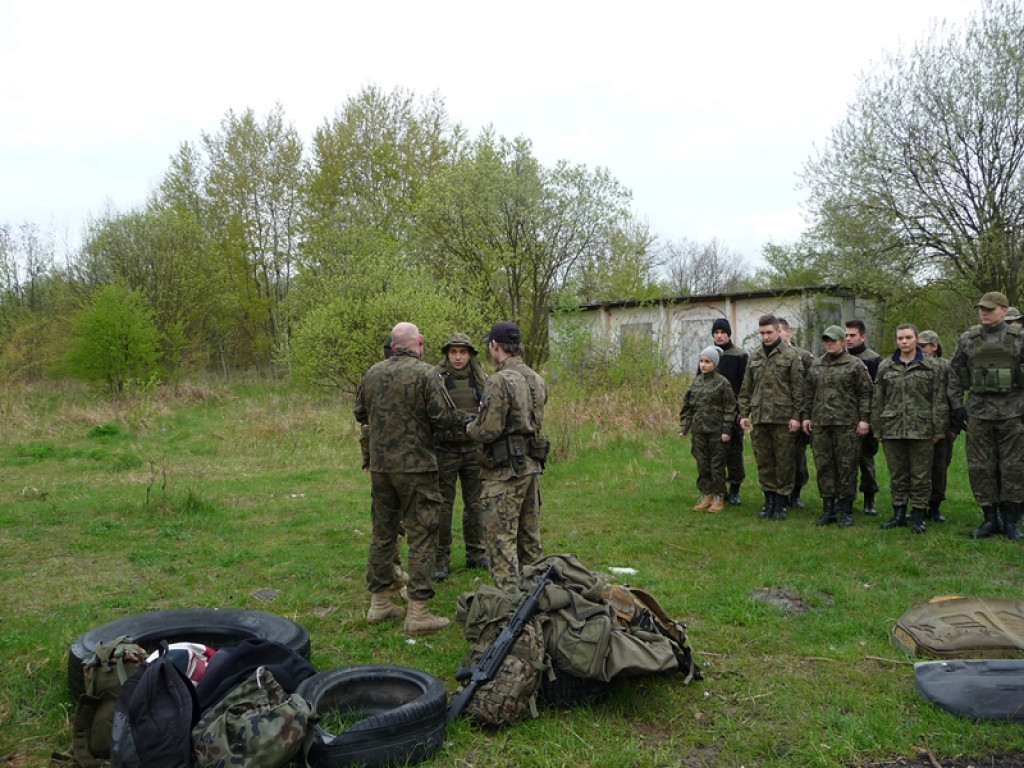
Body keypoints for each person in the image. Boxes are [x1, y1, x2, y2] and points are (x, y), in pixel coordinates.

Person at [353, 322, 459, 635]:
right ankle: (418, 613)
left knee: (383, 532)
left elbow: (360, 413)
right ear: (420, 342)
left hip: (382, 467)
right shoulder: (427, 374)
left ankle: (379, 603)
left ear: (393, 344)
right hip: (417, 467)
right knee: (423, 533)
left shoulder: (372, 373)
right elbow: (444, 418)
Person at [466, 321, 547, 591]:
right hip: (531, 467)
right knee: (530, 542)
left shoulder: (499, 381)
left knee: (501, 541)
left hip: (504, 473)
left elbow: (488, 430)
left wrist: (469, 428)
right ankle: (538, 598)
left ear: (494, 346)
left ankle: (510, 605)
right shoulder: (536, 379)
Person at [948, 291, 1024, 540]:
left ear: (1004, 310)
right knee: (980, 468)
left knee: (1013, 468)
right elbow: (954, 374)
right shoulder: (968, 339)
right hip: (978, 415)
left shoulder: (1019, 338)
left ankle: (1011, 521)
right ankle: (989, 518)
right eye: (982, 308)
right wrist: (957, 407)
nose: (984, 312)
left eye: (990, 309)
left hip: (1012, 415)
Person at [874, 325, 948, 534]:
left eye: (908, 337)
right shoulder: (886, 366)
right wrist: (877, 429)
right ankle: (898, 513)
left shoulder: (931, 366)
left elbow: (939, 399)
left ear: (916, 339)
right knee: (898, 474)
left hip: (922, 428)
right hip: (893, 428)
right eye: (900, 338)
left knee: (921, 475)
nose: (904, 342)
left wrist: (938, 430)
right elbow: (878, 399)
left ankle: (918, 515)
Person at [802, 326, 873, 527]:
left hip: (847, 425)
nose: (829, 343)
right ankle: (828, 509)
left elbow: (866, 393)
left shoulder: (855, 365)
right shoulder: (816, 365)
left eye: (833, 340)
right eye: (826, 340)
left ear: (842, 341)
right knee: (824, 466)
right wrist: (806, 417)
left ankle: (846, 510)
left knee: (847, 466)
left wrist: (864, 419)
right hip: (821, 425)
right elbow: (808, 393)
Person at [738, 314, 806, 521]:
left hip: (783, 418)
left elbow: (798, 390)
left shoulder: (791, 355)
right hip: (760, 417)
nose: (766, 337)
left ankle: (781, 502)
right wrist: (744, 413)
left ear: (778, 331)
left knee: (784, 461)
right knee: (764, 460)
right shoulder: (755, 356)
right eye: (762, 333)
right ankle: (768, 500)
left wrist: (796, 416)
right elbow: (746, 388)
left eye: (769, 332)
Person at [433, 332, 488, 579]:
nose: (458, 357)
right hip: (444, 449)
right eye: (453, 352)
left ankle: (476, 553)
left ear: (470, 355)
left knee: (475, 504)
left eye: (462, 352)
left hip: (473, 449)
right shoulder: (436, 379)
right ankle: (440, 559)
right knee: (443, 506)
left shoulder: (481, 379)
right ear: (447, 354)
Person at [679, 346, 737, 513]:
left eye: (707, 362)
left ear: (715, 364)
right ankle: (706, 495)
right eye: (701, 361)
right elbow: (688, 407)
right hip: (699, 431)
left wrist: (726, 430)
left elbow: (730, 408)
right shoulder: (696, 382)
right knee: (702, 464)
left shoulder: (723, 383)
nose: (703, 365)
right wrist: (684, 428)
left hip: (716, 431)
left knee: (717, 465)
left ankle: (719, 496)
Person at [845, 319, 883, 516]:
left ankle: (869, 499)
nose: (848, 339)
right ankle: (845, 499)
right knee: (845, 463)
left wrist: (869, 419)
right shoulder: (841, 357)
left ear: (862, 336)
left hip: (866, 418)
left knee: (866, 461)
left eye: (852, 335)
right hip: (844, 418)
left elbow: (876, 392)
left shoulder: (873, 360)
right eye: (846, 335)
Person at [918, 330, 956, 522]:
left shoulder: (946, 367)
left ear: (934, 346)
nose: (920, 349)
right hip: (917, 425)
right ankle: (918, 505)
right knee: (918, 469)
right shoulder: (913, 365)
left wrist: (954, 427)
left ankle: (934, 506)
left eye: (923, 346)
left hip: (942, 425)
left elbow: (954, 397)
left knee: (939, 467)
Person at [711, 318, 748, 505]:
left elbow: (745, 384)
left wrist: (742, 411)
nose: (719, 336)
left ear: (728, 334)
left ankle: (734, 490)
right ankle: (717, 490)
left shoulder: (739, 355)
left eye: (722, 332)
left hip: (733, 411)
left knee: (734, 452)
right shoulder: (709, 354)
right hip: (712, 412)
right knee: (715, 453)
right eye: (716, 333)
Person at [779, 317, 814, 509]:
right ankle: (779, 494)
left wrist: (805, 415)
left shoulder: (804, 356)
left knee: (797, 457)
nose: (777, 335)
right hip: (777, 414)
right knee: (778, 457)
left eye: (779, 331)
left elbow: (810, 385)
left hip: (798, 413)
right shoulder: (767, 356)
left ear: (788, 332)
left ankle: (796, 494)